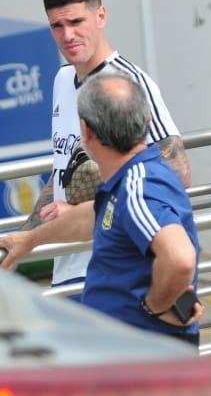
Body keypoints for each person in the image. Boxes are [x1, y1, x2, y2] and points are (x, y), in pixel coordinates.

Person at [0, 0, 190, 290]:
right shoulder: (61, 81)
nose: (67, 35)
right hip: (69, 269)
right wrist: (25, 238)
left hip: (122, 270)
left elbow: (178, 172)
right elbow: (63, 176)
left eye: (76, 22)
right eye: (57, 26)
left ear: (101, 16)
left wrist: (94, 204)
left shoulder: (127, 82)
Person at [74, 72, 202, 342]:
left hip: (139, 353)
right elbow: (96, 216)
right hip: (136, 352)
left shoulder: (138, 187)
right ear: (148, 120)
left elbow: (180, 258)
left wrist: (152, 307)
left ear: (86, 130)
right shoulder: (134, 178)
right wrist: (29, 239)